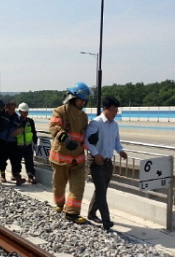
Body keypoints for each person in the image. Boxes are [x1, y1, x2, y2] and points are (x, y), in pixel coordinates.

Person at [49, 82, 92, 224]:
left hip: (78, 159)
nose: (83, 103)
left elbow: (84, 136)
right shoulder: (60, 111)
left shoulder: (84, 117)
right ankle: (60, 204)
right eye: (82, 100)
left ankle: (72, 213)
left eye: (85, 101)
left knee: (78, 186)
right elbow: (54, 126)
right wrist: (65, 139)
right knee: (59, 186)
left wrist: (92, 139)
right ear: (73, 98)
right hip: (60, 158)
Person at [85, 96, 128, 231]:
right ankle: (106, 221)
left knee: (101, 189)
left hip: (108, 162)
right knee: (102, 191)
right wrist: (95, 154)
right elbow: (87, 141)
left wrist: (120, 151)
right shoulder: (95, 123)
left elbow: (116, 141)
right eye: (113, 111)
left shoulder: (114, 125)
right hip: (96, 161)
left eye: (116, 111)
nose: (115, 114)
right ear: (105, 109)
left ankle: (91, 213)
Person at [0, 100, 26, 185]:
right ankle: (2, 175)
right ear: (6, 107)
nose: (12, 111)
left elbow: (22, 127)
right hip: (2, 141)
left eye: (13, 109)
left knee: (16, 160)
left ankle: (16, 175)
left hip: (13, 142)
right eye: (10, 108)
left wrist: (20, 129)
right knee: (2, 159)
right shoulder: (1, 115)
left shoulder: (17, 118)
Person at [17, 103, 38, 184]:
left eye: (26, 112)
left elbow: (33, 132)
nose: (25, 113)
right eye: (24, 112)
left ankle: (31, 177)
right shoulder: (16, 121)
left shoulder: (30, 121)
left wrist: (35, 143)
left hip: (28, 146)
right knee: (17, 162)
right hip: (18, 146)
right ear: (20, 111)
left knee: (29, 162)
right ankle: (16, 175)